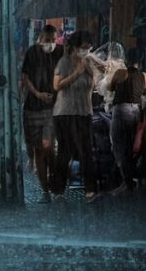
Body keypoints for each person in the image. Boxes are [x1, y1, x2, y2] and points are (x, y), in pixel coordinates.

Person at [52, 31, 98, 201]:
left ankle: (91, 190)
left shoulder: (89, 62)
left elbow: (96, 84)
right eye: (83, 48)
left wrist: (90, 70)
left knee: (86, 151)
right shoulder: (64, 62)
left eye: (89, 48)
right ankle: (58, 190)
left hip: (84, 111)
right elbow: (57, 86)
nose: (86, 51)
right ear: (76, 47)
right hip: (65, 112)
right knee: (65, 152)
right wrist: (76, 73)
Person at [21, 25, 63, 203]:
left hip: (53, 107)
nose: (51, 43)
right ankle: (45, 189)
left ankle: (55, 180)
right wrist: (37, 94)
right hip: (33, 106)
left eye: (53, 39)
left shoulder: (61, 52)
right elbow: (25, 77)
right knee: (39, 149)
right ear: (40, 39)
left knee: (48, 146)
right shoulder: (32, 53)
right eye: (47, 40)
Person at [108, 49, 145, 195]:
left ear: (126, 60)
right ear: (140, 61)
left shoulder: (120, 73)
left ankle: (126, 182)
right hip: (136, 111)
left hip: (122, 111)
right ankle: (129, 180)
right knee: (132, 146)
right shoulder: (144, 76)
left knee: (118, 145)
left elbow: (110, 88)